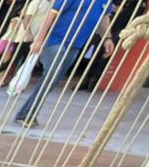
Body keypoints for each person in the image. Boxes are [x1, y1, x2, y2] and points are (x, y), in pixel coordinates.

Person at [11, 0, 116, 128]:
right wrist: (39, 40)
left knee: (52, 80)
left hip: (76, 45)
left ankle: (25, 112)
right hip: (56, 40)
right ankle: (26, 114)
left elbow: (103, 18)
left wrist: (107, 38)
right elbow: (51, 14)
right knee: (51, 76)